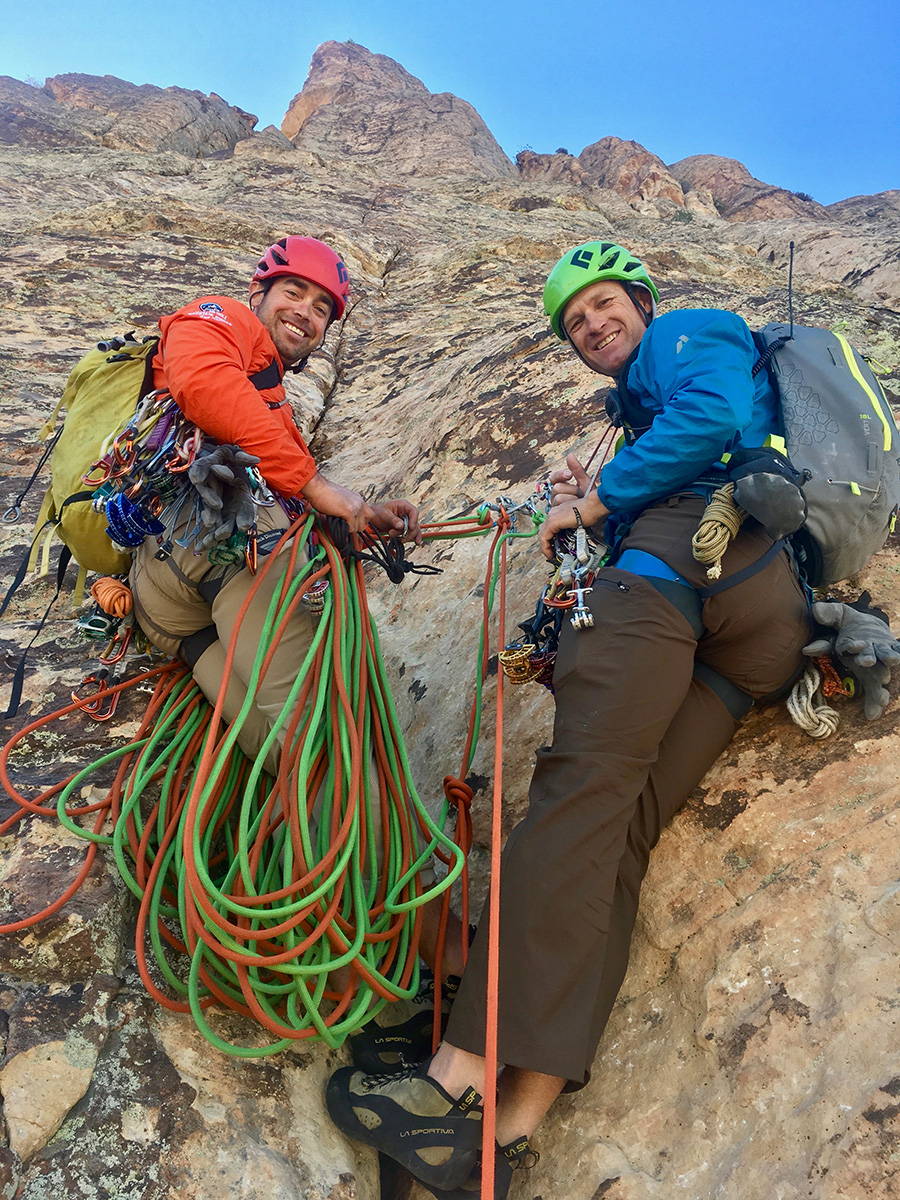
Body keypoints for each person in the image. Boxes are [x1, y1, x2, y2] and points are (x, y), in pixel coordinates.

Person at [324, 241, 813, 1197]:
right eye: (575, 322)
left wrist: (596, 500)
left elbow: (710, 412)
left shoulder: (683, 335)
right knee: (618, 832)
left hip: (684, 572)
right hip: (758, 623)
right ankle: (516, 1118)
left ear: (641, 302)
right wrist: (587, 509)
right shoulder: (641, 417)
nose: (594, 326)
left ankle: (454, 1084)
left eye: (602, 305)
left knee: (575, 803)